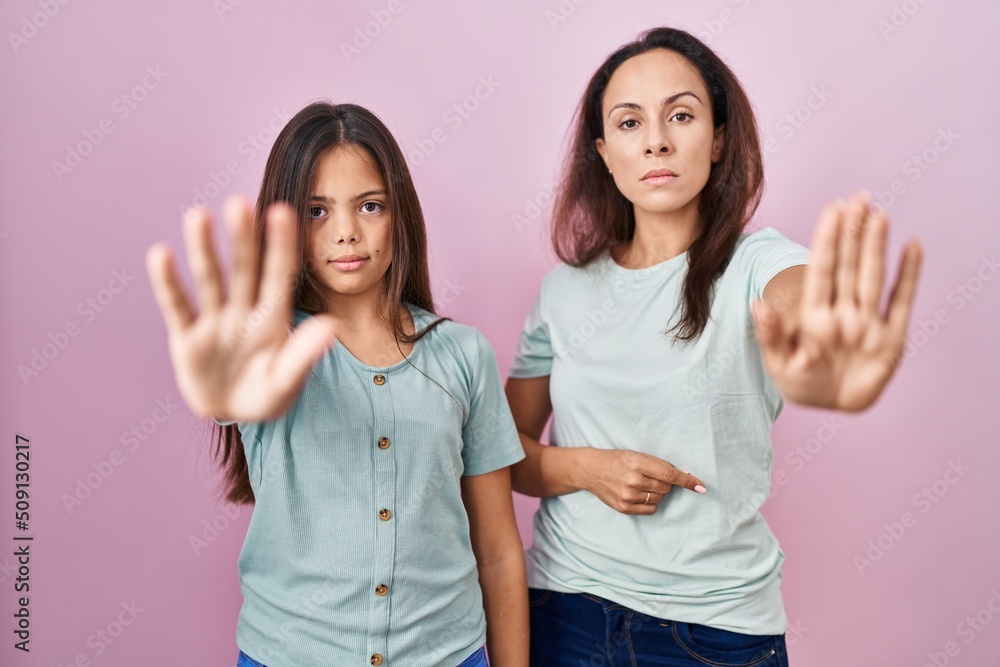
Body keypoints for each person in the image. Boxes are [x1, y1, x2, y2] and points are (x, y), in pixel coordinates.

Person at [504, 27, 922, 666]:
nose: (656, 141)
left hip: (713, 632)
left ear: (719, 138)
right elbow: (502, 454)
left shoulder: (757, 263)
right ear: (604, 152)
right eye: (628, 123)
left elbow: (803, 298)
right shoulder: (563, 292)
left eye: (681, 114)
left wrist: (833, 333)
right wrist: (589, 469)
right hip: (564, 612)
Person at [145, 102, 529, 667]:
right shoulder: (266, 347)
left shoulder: (463, 355)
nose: (346, 232)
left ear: (400, 214)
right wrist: (223, 390)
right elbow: (236, 388)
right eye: (317, 211)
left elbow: (497, 551)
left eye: (369, 206)